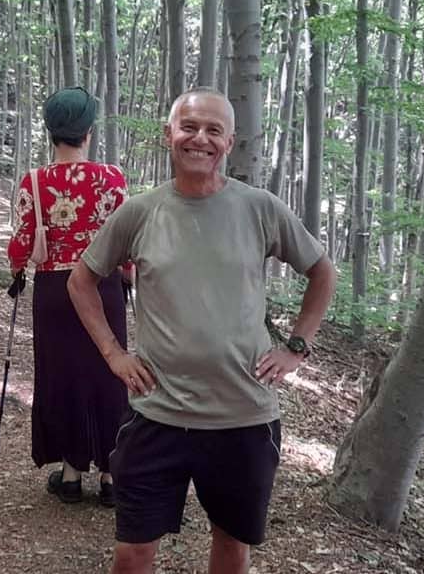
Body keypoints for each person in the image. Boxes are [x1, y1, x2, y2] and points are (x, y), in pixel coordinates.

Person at [66, 88, 336, 574]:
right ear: (168, 134)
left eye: (214, 130)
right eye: (189, 127)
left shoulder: (259, 208)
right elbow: (81, 280)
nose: (200, 139)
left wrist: (297, 347)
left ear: (229, 142)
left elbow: (322, 271)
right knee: (132, 553)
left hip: (244, 417)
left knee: (231, 548)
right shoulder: (140, 211)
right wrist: (113, 353)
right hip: (157, 413)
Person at [6, 86, 131, 507]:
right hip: (102, 285)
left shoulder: (34, 181)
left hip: (54, 291)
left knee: (62, 375)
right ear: (88, 132)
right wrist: (128, 273)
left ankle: (72, 473)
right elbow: (127, 238)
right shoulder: (111, 178)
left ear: (51, 132)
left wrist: (16, 270)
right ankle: (112, 475)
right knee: (110, 372)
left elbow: (22, 241)